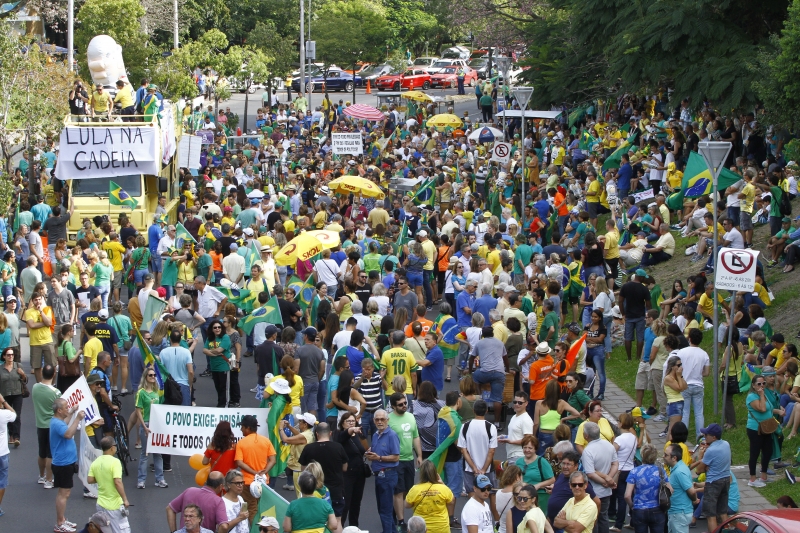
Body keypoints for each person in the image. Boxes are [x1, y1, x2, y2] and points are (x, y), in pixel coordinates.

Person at [298, 423, 349, 530]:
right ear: (330, 433)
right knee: (337, 520)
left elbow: (303, 471)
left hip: (315, 492)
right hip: (336, 491)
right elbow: (345, 467)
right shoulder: (338, 447)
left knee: (316, 522)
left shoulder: (308, 448)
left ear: (317, 434)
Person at [50, 398, 86, 533]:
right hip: (63, 463)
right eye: (66, 407)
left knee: (66, 492)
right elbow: (68, 434)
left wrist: (71, 413)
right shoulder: (57, 424)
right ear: (59, 410)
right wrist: (77, 418)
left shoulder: (58, 421)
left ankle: (62, 519)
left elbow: (65, 424)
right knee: (63, 494)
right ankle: (59, 523)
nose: (68, 408)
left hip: (66, 462)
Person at [364, 408, 400, 533]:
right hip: (378, 475)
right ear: (373, 421)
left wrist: (378, 458)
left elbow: (396, 456)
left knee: (385, 509)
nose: (380, 422)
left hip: (388, 474)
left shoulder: (392, 435)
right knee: (382, 508)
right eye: (377, 419)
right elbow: (376, 450)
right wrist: (370, 452)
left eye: (382, 419)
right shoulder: (375, 435)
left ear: (387, 420)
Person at [234, 415, 276, 522]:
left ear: (248, 428)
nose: (241, 429)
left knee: (250, 509)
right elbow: (273, 460)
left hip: (247, 483)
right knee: (260, 508)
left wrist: (254, 473)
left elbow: (239, 462)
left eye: (242, 427)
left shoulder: (241, 443)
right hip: (263, 483)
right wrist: (264, 472)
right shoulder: (266, 441)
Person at [745, 374, 783, 487]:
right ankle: (752, 479)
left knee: (767, 451)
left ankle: (764, 476)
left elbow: (769, 408)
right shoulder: (752, 396)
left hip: (767, 427)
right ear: (753, 385)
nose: (762, 386)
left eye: (763, 383)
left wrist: (778, 411)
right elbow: (762, 409)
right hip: (755, 428)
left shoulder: (764, 394)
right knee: (755, 452)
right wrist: (761, 395)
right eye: (759, 384)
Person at [580, 422, 618, 533]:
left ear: (586, 436)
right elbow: (615, 463)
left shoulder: (587, 451)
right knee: (603, 518)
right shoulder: (609, 445)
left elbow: (590, 473)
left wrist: (605, 481)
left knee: (592, 520)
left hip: (593, 491)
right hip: (606, 491)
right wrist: (609, 479)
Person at [87, 436, 130, 533]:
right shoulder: (115, 462)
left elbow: (90, 480)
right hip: (114, 505)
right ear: (112, 447)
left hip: (101, 504)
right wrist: (125, 499)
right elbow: (117, 482)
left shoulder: (96, 462)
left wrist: (102, 477)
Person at [134, 366, 167, 489]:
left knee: (158, 453)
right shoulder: (141, 393)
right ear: (145, 377)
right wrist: (144, 426)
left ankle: (160, 479)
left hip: (156, 425)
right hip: (147, 424)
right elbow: (138, 411)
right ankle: (141, 480)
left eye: (154, 375)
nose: (153, 377)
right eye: (150, 375)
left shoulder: (156, 393)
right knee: (145, 454)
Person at [546, 450, 600, 524]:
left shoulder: (579, 482)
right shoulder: (561, 476)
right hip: (552, 523)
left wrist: (592, 522)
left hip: (567, 526)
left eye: (568, 464)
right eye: (563, 463)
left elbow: (597, 502)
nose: (565, 467)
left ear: (576, 466)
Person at [674, 328, 710, 439]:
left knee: (685, 412)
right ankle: (700, 436)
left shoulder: (682, 352)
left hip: (685, 384)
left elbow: (676, 368)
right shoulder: (704, 354)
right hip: (698, 385)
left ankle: (682, 436)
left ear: (689, 338)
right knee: (699, 412)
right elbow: (706, 373)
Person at [695, 423, 731, 533]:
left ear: (713, 437)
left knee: (711, 515)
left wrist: (703, 459)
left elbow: (698, 470)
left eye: (706, 435)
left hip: (713, 483)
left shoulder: (710, 451)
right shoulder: (726, 444)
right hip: (725, 480)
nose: (704, 436)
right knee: (723, 512)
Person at [469, 326, 509, 426]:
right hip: (499, 373)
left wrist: (470, 371)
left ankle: (480, 397)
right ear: (492, 334)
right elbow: (505, 358)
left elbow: (471, 358)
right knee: (497, 399)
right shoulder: (500, 343)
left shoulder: (479, 343)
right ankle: (496, 423)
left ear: (483, 334)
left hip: (485, 372)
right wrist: (507, 370)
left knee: (475, 377)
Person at [458, 399, 498, 493]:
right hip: (487, 469)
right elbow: (491, 451)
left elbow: (463, 451)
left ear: (473, 410)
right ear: (486, 411)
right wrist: (483, 469)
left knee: (472, 493)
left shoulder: (465, 426)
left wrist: (474, 469)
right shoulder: (491, 427)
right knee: (491, 493)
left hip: (469, 469)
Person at [623, 444, 665, 533]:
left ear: (642, 455)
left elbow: (627, 495)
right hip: (657, 508)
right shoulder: (660, 471)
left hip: (639, 509)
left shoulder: (634, 471)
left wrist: (632, 506)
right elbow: (670, 489)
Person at [335, 412, 367, 526]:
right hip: (347, 475)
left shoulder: (359, 435)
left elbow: (364, 449)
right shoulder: (339, 435)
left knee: (356, 503)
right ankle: (340, 527)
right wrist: (352, 429)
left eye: (353, 421)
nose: (351, 423)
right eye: (348, 421)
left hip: (360, 474)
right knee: (345, 503)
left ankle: (354, 527)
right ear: (342, 423)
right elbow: (345, 435)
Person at [405, 460, 454, 533]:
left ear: (421, 474)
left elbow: (407, 505)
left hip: (421, 528)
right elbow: (451, 502)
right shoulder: (443, 488)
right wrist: (442, 483)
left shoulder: (415, 489)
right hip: (442, 527)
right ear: (435, 473)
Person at [32, 364, 60, 488]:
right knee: (51, 454)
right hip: (52, 425)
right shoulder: (56, 392)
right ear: (54, 374)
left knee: (42, 452)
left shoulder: (35, 387)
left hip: (40, 424)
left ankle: (41, 476)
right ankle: (49, 480)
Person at [664, 443, 699, 533]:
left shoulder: (679, 472)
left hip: (679, 513)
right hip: (676, 512)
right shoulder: (678, 467)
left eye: (666, 455)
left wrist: (694, 500)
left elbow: (691, 491)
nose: (664, 457)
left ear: (674, 458)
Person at [514, 435, 555, 513]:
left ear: (535, 449)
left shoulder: (542, 461)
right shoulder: (518, 462)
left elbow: (552, 479)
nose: (527, 450)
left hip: (540, 497)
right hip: (523, 498)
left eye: (530, 448)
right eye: (525, 447)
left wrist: (538, 485)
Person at [159, 328, 194, 406]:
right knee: (184, 413)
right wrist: (190, 385)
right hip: (183, 385)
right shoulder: (186, 352)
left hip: (169, 385)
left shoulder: (163, 352)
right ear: (180, 339)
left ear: (170, 339)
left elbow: (161, 371)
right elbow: (190, 371)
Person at [0, 346, 25, 447]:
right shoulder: (0, 369)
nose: (11, 356)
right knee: (8, 416)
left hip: (17, 394)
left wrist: (23, 374)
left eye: (12, 355)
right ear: (4, 357)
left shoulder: (18, 366)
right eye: (8, 355)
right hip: (5, 395)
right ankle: (11, 435)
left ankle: (16, 437)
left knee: (17, 415)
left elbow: (25, 381)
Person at [500, 391, 533, 462]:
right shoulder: (514, 416)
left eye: (520, 403)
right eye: (515, 402)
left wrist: (511, 441)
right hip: (511, 455)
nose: (517, 404)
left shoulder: (526, 419)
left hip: (519, 456)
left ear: (526, 403)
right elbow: (516, 435)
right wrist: (506, 437)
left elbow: (528, 440)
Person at [0, 388, 17, 516]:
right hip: (3, 453)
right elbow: (14, 415)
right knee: (2, 481)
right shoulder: (4, 414)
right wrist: (4, 402)